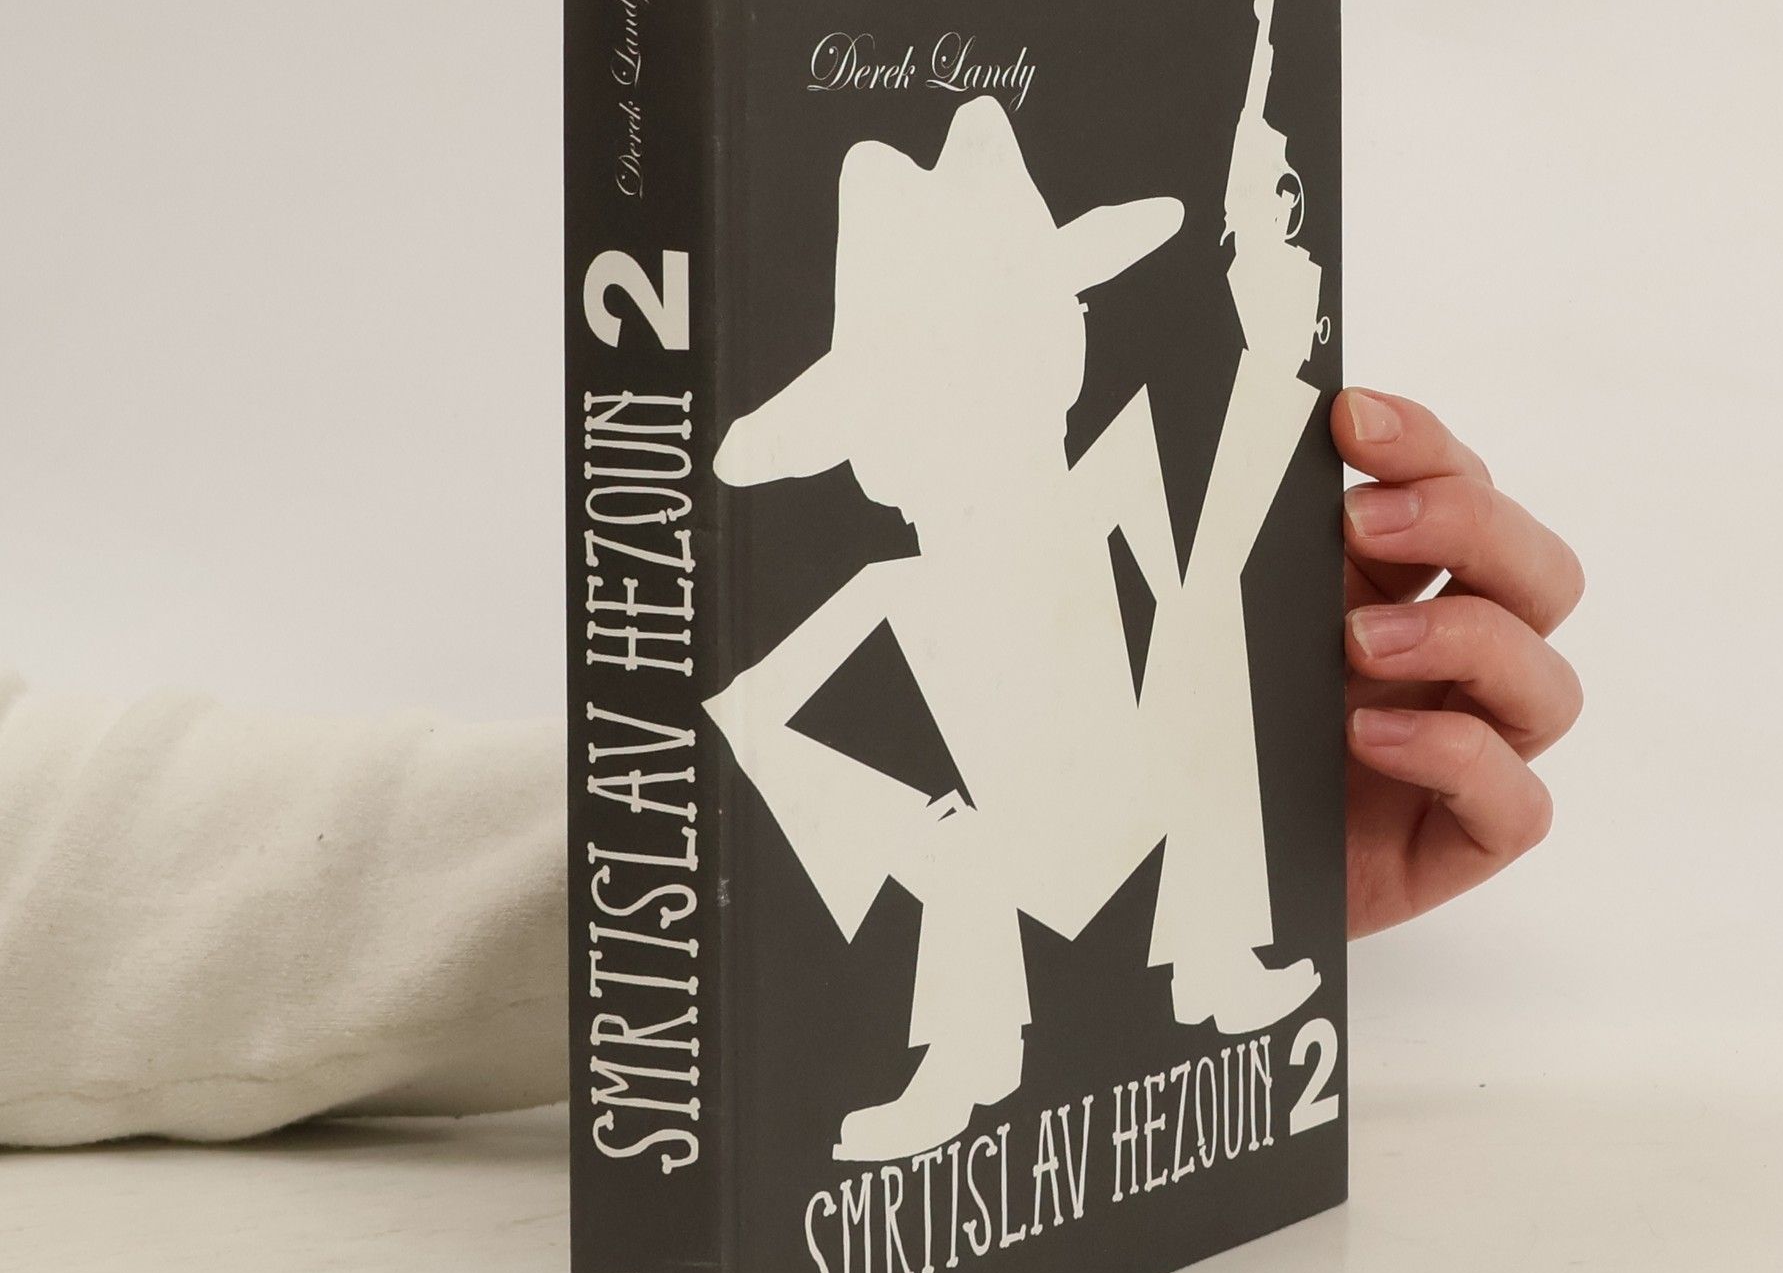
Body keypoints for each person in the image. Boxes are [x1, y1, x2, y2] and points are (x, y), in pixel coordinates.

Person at [0, 379, 1581, 1151]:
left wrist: (1223, 782)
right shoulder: (900, 583)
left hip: (1095, 810)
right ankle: (965, 1025)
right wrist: (879, 825)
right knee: (927, 813)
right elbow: (774, 721)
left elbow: (68, 854)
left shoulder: (1091, 494)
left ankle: (1144, 940)